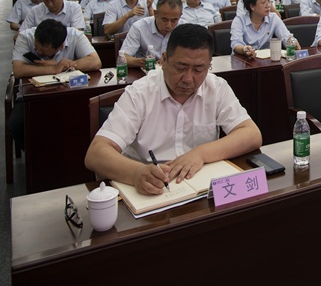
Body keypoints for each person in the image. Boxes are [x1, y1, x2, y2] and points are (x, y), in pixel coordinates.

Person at [85, 24, 262, 195]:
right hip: (151, 189)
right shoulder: (139, 93)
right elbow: (96, 154)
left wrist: (200, 154)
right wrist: (137, 173)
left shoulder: (216, 87)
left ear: (209, 65)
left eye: (198, 69)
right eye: (181, 67)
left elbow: (251, 135)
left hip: (200, 185)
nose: (188, 78)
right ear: (163, 60)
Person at [10, 19, 101, 150]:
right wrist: (54, 68)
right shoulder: (25, 37)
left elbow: (95, 62)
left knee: (80, 120)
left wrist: (66, 65)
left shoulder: (75, 36)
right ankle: (35, 155)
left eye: (43, 51)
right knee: (17, 125)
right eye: (36, 47)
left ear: (60, 47)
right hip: (31, 95)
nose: (38, 51)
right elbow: (18, 70)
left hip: (68, 93)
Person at [230, 0, 299, 58]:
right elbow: (236, 43)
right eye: (263, 2)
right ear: (252, 6)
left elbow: (286, 36)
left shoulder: (273, 18)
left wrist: (293, 43)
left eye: (269, 1)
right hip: (243, 60)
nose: (268, 5)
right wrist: (245, 49)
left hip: (265, 60)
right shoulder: (239, 20)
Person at [122, 0, 183, 68]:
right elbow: (123, 57)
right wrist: (141, 62)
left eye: (174, 20)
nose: (168, 25)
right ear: (155, 13)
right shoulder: (139, 27)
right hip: (147, 69)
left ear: (180, 15)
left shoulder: (185, 29)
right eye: (164, 20)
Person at [20, 0, 85, 31]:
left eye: (53, 0)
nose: (50, 4)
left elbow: (78, 33)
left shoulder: (74, 8)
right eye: (46, 0)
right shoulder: (35, 10)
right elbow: (22, 33)